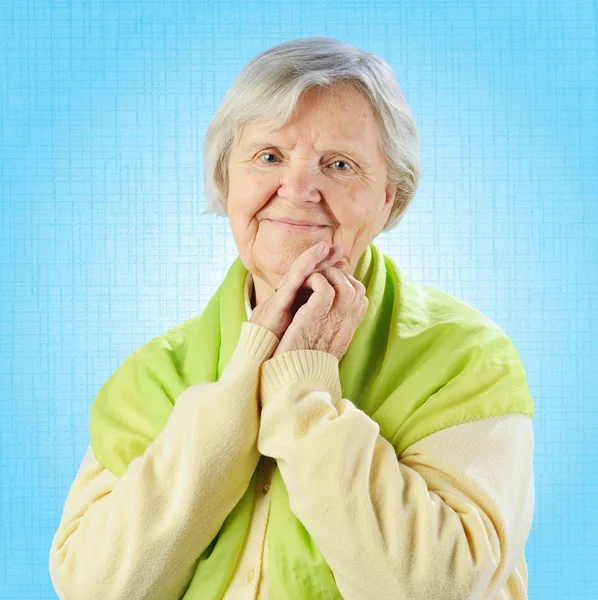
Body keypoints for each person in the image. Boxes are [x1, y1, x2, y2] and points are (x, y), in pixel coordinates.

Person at [48, 37, 535, 600]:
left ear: (389, 200)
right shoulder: (154, 372)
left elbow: (433, 586)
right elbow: (94, 587)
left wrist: (303, 389)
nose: (299, 189)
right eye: (269, 157)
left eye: (340, 164)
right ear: (227, 178)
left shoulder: (468, 358)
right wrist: (244, 384)